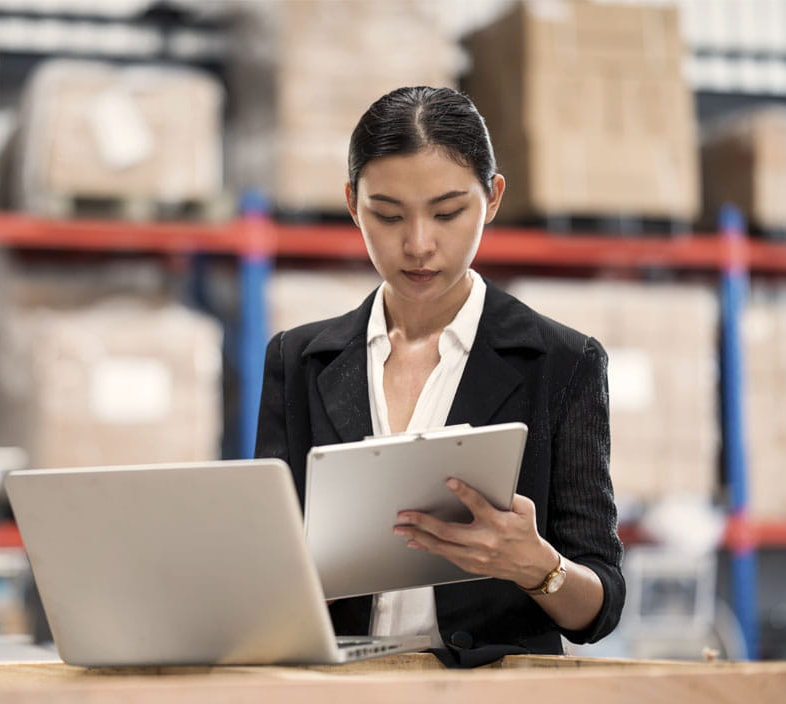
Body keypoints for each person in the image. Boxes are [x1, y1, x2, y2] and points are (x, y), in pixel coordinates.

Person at [254, 86, 624, 668]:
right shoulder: (297, 359)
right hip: (341, 688)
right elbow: (268, 559)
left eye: (448, 213)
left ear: (493, 198)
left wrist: (538, 567)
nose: (419, 244)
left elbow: (599, 609)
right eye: (388, 214)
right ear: (352, 203)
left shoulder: (563, 362)